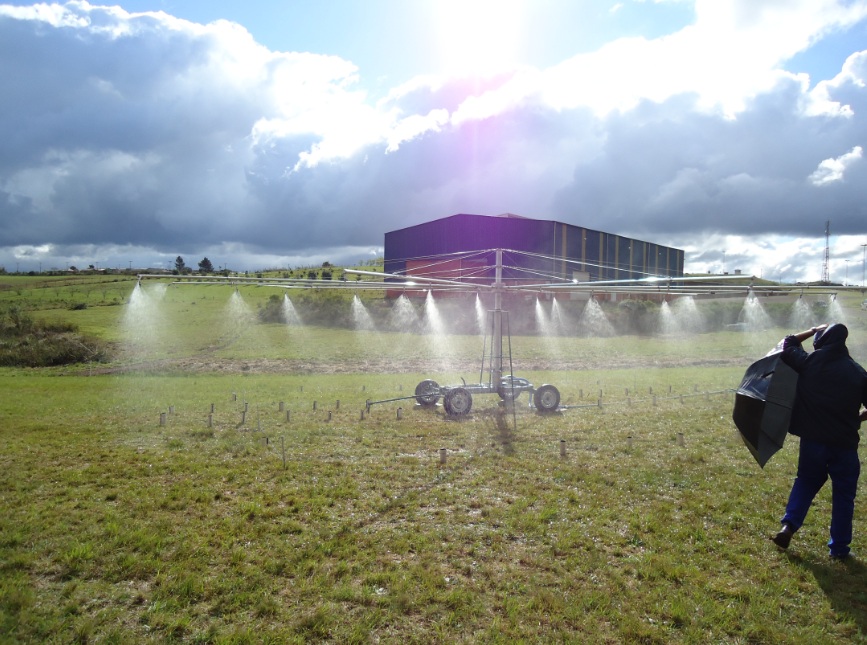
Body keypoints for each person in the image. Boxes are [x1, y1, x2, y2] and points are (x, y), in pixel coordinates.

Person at [771, 323, 867, 558]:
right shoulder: (858, 373)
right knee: (844, 496)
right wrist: (859, 418)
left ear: (821, 341)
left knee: (805, 481)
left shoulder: (809, 362)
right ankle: (839, 549)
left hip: (813, 441)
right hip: (844, 445)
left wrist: (813, 330)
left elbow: (788, 342)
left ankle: (789, 526)